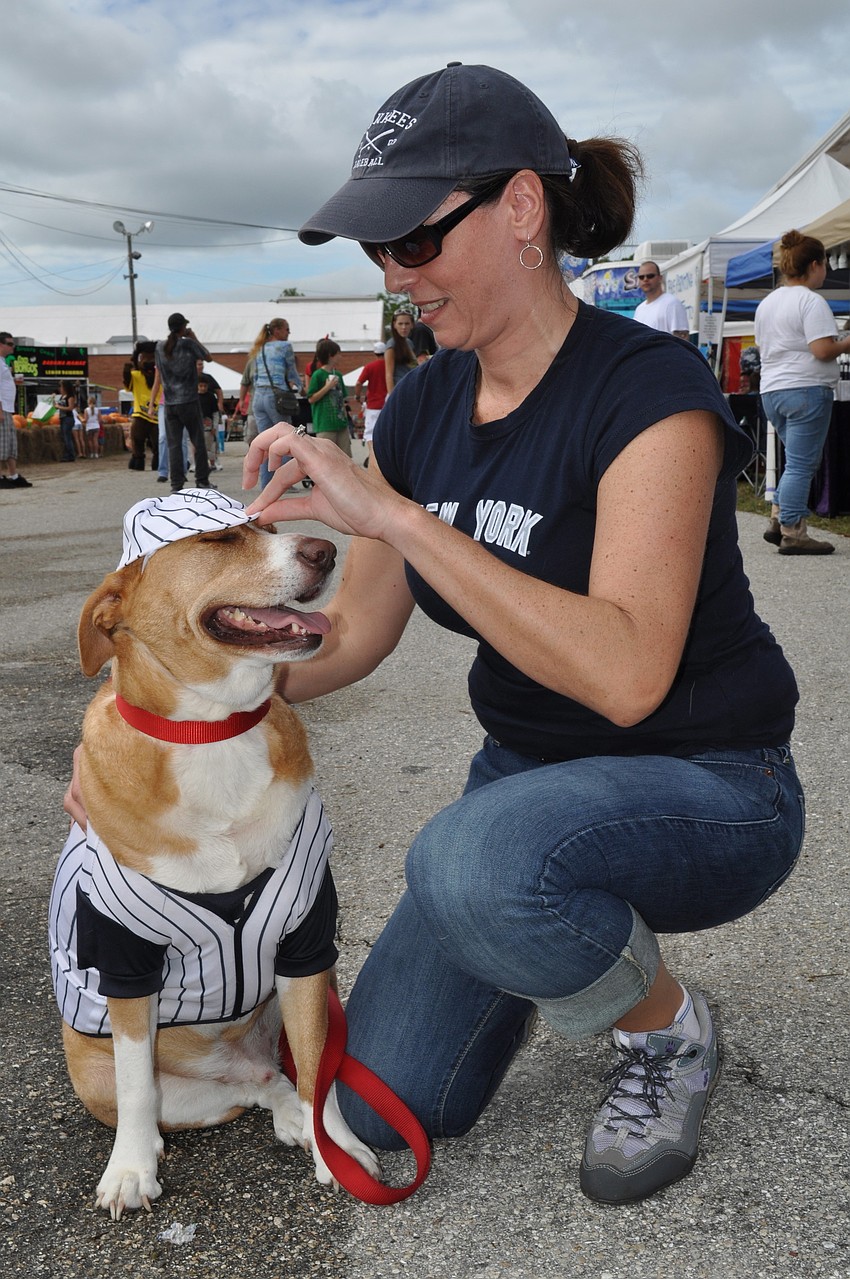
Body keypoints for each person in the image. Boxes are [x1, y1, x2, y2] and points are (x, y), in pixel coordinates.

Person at [242, 61, 804, 1209]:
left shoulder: (651, 389)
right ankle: (551, 926)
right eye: (376, 255)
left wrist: (388, 509)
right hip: (528, 791)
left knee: (472, 859)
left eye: (413, 241)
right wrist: (188, 693)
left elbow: (626, 674)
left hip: (706, 780)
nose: (397, 278)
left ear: (519, 210)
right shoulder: (430, 405)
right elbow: (351, 634)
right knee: (375, 1103)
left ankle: (668, 1030)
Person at [754, 230, 850, 555]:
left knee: (793, 461)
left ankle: (778, 519)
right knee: (800, 465)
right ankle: (794, 532)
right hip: (807, 388)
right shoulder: (811, 301)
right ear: (815, 264)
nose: (826, 271)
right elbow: (823, 349)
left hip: (773, 391)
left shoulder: (767, 303)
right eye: (825, 264)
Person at [150, 313, 213, 494]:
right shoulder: (188, 344)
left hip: (170, 402)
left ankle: (176, 483)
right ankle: (202, 480)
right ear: (183, 327)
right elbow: (207, 357)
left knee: (174, 444)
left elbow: (160, 372)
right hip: (189, 400)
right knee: (197, 441)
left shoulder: (160, 347)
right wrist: (194, 338)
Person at [247, 317, 303, 491]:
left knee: (264, 442)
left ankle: (266, 483)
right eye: (287, 329)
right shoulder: (285, 347)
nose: (288, 333)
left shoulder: (259, 349)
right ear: (277, 330)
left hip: (258, 397)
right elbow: (291, 371)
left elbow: (254, 377)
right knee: (286, 437)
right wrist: (301, 387)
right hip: (276, 396)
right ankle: (285, 481)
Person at [306, 339, 352, 456]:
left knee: (344, 456)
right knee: (326, 457)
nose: (340, 357)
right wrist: (328, 387)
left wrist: (346, 420)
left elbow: (342, 400)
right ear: (330, 356)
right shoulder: (318, 375)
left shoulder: (339, 375)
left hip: (341, 423)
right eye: (338, 354)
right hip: (324, 424)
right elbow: (311, 398)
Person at [0, 332, 31, 488]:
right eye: (10, 344)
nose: (13, 347)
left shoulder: (3, 362)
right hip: (2, 408)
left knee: (11, 444)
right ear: (1, 345)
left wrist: (13, 382)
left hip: (8, 408)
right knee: (2, 443)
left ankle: (14, 475)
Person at [123, 341, 160, 472]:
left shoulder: (160, 376)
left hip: (157, 415)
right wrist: (127, 372)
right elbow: (128, 383)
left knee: (158, 441)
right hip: (140, 414)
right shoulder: (137, 376)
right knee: (137, 437)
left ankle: (158, 461)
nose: (149, 362)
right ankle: (138, 459)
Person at [632, 261, 689, 338]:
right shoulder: (639, 309)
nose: (645, 279)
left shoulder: (672, 303)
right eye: (641, 277)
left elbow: (683, 338)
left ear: (660, 278)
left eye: (650, 276)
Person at [354, 341, 388, 458]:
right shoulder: (390, 366)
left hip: (373, 406)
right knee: (386, 433)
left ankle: (373, 457)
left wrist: (357, 396)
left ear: (375, 353)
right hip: (388, 405)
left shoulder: (369, 367)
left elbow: (359, 383)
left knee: (370, 434)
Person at [384, 308, 417, 393]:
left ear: (412, 325)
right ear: (394, 325)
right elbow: (389, 375)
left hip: (412, 387)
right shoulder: (391, 345)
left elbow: (413, 366)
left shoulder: (409, 343)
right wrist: (392, 398)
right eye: (400, 324)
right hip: (398, 390)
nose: (404, 327)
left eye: (407, 323)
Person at [56, 380, 78, 463]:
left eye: (61, 386)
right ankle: (66, 454)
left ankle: (71, 455)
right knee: (64, 437)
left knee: (67, 437)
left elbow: (70, 408)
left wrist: (59, 407)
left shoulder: (70, 396)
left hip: (68, 418)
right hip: (62, 418)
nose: (60, 388)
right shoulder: (63, 396)